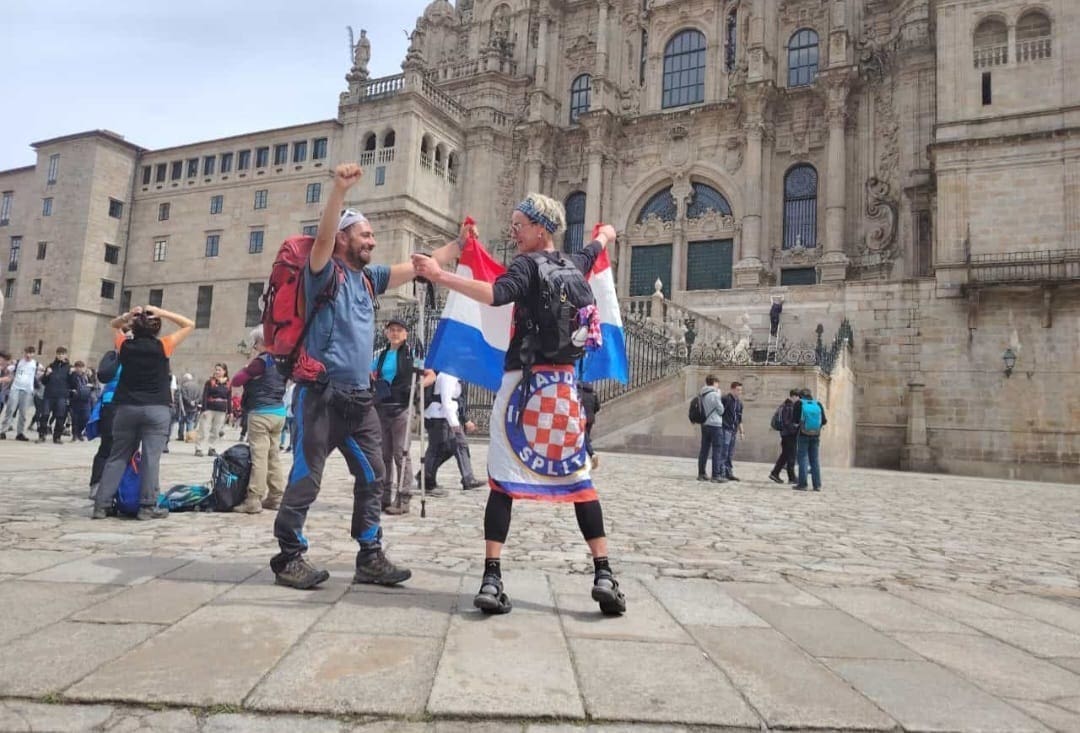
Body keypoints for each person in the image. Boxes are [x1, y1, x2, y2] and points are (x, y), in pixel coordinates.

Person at [412, 193, 626, 616]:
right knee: (580, 481)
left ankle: (492, 578)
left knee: (502, 482)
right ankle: (604, 573)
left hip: (521, 390)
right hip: (563, 392)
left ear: (540, 229)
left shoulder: (526, 266)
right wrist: (607, 233)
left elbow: (495, 294)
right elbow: (597, 244)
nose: (513, 231)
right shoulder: (574, 264)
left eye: (519, 224)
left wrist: (440, 275)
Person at [270, 162, 465, 590]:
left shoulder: (368, 279)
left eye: (372, 236)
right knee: (307, 477)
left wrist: (457, 246)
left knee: (374, 476)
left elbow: (418, 268)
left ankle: (370, 555)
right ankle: (288, 557)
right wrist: (339, 191)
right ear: (344, 239)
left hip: (359, 402)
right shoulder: (323, 272)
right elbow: (322, 238)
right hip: (319, 397)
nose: (372, 241)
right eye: (365, 235)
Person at [92, 306, 195, 520]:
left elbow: (113, 325)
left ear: (135, 328)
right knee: (151, 458)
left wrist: (130, 315)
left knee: (117, 457)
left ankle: (101, 505)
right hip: (156, 408)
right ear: (156, 329)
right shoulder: (164, 345)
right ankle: (147, 506)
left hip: (127, 407)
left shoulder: (124, 345)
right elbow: (189, 324)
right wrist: (163, 312)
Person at [371, 317, 429, 515]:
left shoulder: (412, 354)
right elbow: (370, 375)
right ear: (387, 333)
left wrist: (417, 386)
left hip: (402, 408)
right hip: (382, 408)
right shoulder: (380, 356)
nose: (394, 333)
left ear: (405, 334)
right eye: (391, 330)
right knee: (384, 454)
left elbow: (430, 374)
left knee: (400, 453)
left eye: (399, 330)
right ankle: (384, 496)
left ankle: (403, 498)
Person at [231, 326, 287, 513]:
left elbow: (237, 381)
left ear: (262, 342)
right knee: (274, 455)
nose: (254, 347)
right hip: (279, 412)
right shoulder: (282, 360)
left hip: (261, 412)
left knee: (259, 457)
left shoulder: (260, 362)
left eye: (255, 344)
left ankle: (254, 499)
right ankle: (277, 497)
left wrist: (246, 367)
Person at [421, 371, 484, 499]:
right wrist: (454, 424)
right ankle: (426, 479)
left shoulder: (454, 375)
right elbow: (446, 401)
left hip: (445, 416)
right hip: (440, 417)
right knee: (438, 448)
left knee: (458, 446)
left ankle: (467, 478)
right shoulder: (448, 376)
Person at [792, 388, 828, 491]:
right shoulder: (818, 404)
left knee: (803, 459)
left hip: (803, 434)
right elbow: (824, 421)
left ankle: (802, 484)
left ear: (800, 396)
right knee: (815, 460)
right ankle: (817, 485)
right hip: (816, 435)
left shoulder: (799, 404)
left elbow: (795, 421)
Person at [0, 346, 39, 441]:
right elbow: (7, 369)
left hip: (27, 390)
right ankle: (3, 431)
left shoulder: (36, 364)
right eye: (27, 353)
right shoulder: (18, 362)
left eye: (31, 353)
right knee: (10, 409)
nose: (28, 355)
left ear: (33, 354)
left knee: (23, 412)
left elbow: (45, 370)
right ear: (24, 353)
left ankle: (20, 433)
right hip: (16, 388)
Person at [37, 347, 73, 444]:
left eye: (62, 354)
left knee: (60, 416)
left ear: (66, 355)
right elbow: (44, 382)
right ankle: (42, 435)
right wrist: (47, 374)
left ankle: (57, 437)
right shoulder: (51, 366)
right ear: (56, 355)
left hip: (62, 395)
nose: (60, 355)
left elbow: (73, 384)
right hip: (49, 394)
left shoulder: (69, 368)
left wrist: (71, 375)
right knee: (44, 415)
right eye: (59, 353)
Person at [695, 375, 726, 482]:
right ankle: (716, 475)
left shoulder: (702, 393)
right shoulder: (715, 394)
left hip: (704, 424)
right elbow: (721, 410)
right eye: (717, 383)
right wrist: (719, 395)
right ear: (714, 382)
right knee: (717, 450)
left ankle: (701, 473)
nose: (718, 385)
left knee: (704, 450)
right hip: (715, 425)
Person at [195, 364, 230, 457]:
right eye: (216, 370)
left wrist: (230, 411)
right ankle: (199, 448)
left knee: (216, 430)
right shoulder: (210, 382)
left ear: (224, 371)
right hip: (210, 408)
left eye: (219, 370)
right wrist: (204, 410)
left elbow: (229, 398)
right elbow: (205, 396)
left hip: (221, 410)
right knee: (203, 429)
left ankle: (212, 448)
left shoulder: (228, 383)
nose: (217, 372)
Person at [769, 390, 800, 485]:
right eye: (798, 397)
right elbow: (787, 422)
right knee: (791, 456)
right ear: (794, 396)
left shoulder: (785, 405)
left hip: (785, 434)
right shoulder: (789, 407)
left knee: (785, 455)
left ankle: (775, 473)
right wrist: (794, 429)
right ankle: (792, 477)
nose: (798, 400)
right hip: (789, 435)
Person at [718, 381, 744, 481]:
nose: (740, 392)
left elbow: (740, 418)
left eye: (741, 390)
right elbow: (719, 412)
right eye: (738, 390)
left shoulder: (739, 403)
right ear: (732, 389)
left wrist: (742, 432)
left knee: (730, 452)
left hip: (733, 430)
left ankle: (729, 472)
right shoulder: (725, 399)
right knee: (724, 451)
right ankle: (721, 472)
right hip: (725, 428)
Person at [69, 361, 93, 441]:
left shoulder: (87, 376)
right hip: (75, 400)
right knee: (75, 419)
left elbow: (94, 384)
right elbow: (68, 385)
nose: (79, 369)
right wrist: (71, 391)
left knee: (86, 417)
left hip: (86, 400)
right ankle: (75, 435)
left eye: (81, 367)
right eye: (78, 367)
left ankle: (79, 432)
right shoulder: (72, 376)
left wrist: (91, 385)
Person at [578, 381, 601, 469]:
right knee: (585, 438)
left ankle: (589, 456)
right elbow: (597, 407)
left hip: (582, 418)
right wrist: (592, 413)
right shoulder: (593, 394)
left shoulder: (580, 394)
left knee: (582, 439)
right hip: (590, 419)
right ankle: (589, 455)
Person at [280, 380, 295, 452]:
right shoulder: (292, 388)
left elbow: (287, 401)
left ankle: (283, 444)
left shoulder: (291, 388)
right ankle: (291, 445)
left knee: (284, 429)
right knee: (292, 430)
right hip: (292, 412)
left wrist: (284, 409)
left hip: (287, 412)